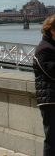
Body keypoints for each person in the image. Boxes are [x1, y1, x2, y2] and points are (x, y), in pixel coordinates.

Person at [33, 14, 55, 156]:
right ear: (51, 30)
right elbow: (52, 72)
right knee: (52, 140)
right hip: (50, 100)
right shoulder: (44, 49)